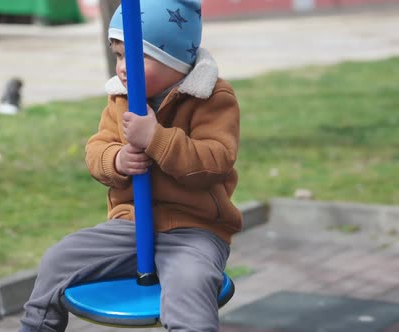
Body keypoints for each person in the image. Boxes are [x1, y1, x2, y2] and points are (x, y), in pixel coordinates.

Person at [20, 0, 241, 331]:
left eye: (135, 56)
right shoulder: (119, 99)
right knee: (57, 261)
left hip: (194, 231)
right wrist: (118, 160)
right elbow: (97, 151)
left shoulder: (212, 98)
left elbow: (215, 161)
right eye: (118, 55)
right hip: (130, 228)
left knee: (190, 285)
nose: (123, 67)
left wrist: (156, 138)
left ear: (175, 58)